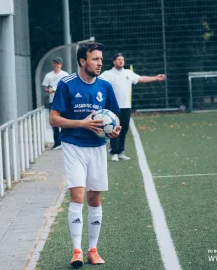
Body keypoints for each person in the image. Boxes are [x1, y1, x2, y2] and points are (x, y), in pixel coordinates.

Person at [50, 42, 122, 267]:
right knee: (78, 197)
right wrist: (81, 124)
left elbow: (114, 117)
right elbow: (54, 119)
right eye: (95, 59)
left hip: (98, 148)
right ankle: (77, 251)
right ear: (83, 61)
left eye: (101, 59)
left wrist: (114, 131)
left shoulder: (105, 86)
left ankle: (93, 249)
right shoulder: (67, 84)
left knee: (95, 198)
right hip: (73, 146)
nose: (100, 63)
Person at [99, 53, 166, 161]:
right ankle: (114, 152)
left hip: (126, 107)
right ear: (114, 62)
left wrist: (155, 78)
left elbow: (141, 79)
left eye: (122, 59)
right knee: (114, 128)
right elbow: (97, 82)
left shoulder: (128, 73)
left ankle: (120, 151)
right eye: (119, 59)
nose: (121, 61)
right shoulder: (107, 74)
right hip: (114, 107)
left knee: (124, 129)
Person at [42, 57, 69, 150]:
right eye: (55, 63)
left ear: (61, 65)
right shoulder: (48, 75)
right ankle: (57, 142)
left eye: (58, 63)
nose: (56, 65)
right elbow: (45, 87)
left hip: (63, 101)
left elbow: (68, 87)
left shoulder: (65, 74)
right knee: (54, 122)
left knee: (65, 120)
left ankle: (65, 141)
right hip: (52, 100)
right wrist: (49, 90)